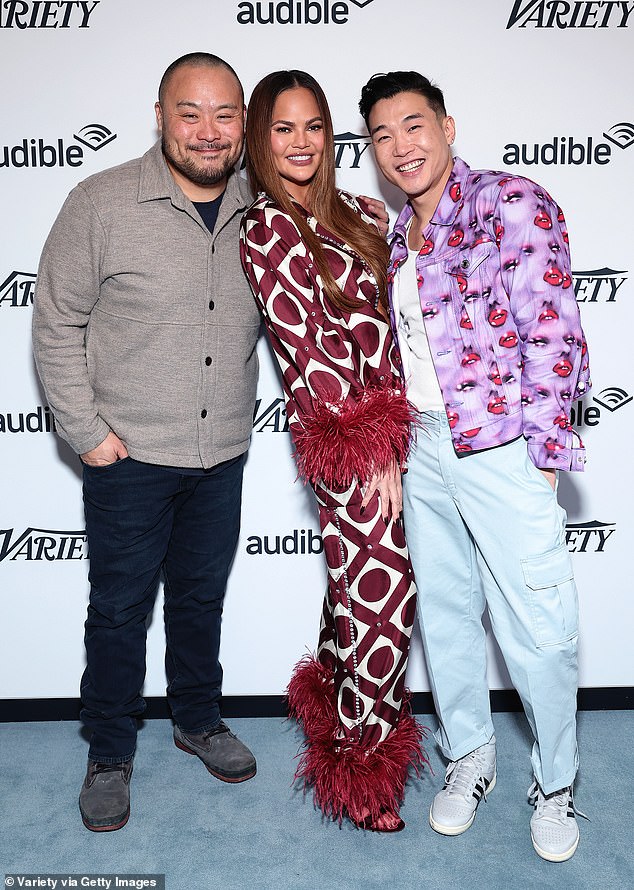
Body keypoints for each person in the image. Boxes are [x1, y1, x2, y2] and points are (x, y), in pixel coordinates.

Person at [359, 71, 591, 861]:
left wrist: (543, 455)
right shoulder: (398, 235)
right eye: (383, 135)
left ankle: (555, 785)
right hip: (424, 449)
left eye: (414, 125)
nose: (401, 146)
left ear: (448, 126)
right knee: (448, 620)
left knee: (540, 630)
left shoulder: (509, 202)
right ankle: (471, 757)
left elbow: (554, 333)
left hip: (500, 450)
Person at [32, 52, 262, 832]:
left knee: (201, 600)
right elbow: (56, 322)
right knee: (121, 610)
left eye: (225, 114)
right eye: (190, 112)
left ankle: (197, 719)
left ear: (242, 125)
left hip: (222, 452)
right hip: (128, 458)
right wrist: (87, 433)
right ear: (160, 116)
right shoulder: (100, 203)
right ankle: (108, 751)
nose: (208, 131)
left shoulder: (261, 208)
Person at [240, 70, 425, 833]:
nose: (301, 142)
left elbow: (393, 312)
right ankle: (363, 765)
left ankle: (328, 699)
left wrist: (385, 230)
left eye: (313, 125)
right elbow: (311, 350)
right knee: (386, 599)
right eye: (283, 129)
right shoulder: (266, 228)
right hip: (348, 436)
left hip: (401, 428)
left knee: (351, 583)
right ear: (261, 139)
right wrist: (371, 447)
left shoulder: (355, 211)